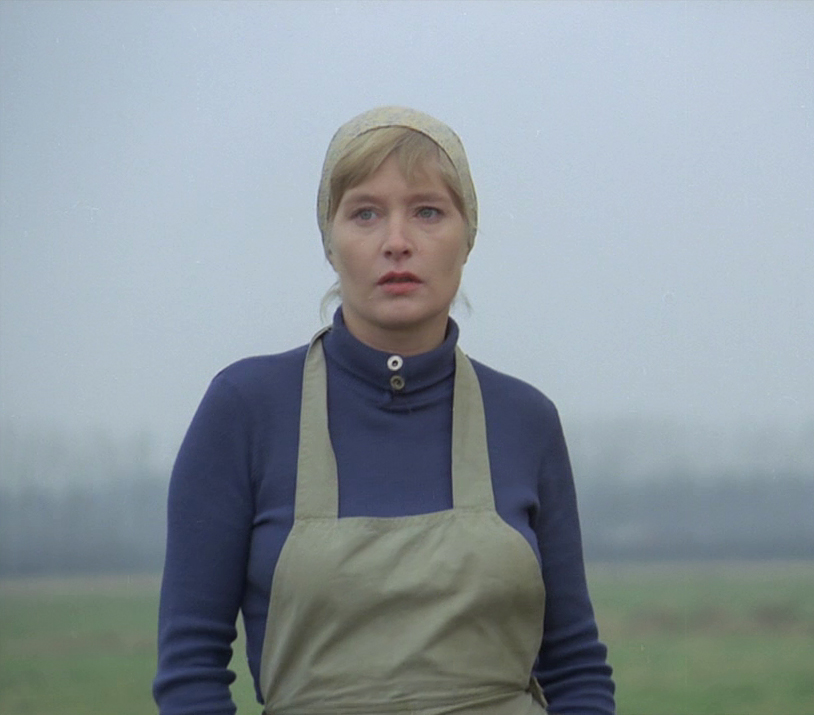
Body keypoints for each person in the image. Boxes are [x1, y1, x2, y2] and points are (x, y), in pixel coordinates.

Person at [153, 106, 615, 715]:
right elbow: (191, 669)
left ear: (467, 237)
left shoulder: (525, 419)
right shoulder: (245, 409)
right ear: (330, 241)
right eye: (365, 213)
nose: (397, 242)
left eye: (428, 211)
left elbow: (575, 666)